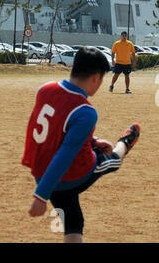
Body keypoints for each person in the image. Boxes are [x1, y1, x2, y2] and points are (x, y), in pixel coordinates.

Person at [22, 47, 141, 243]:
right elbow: (64, 156)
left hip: (40, 173)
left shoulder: (44, 89)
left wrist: (93, 141)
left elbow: (56, 130)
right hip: (71, 175)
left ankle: (99, 145)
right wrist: (41, 196)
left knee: (73, 220)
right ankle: (125, 143)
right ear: (96, 78)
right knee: (112, 161)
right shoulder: (85, 111)